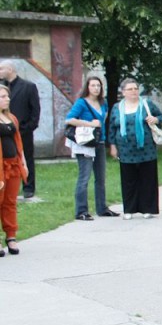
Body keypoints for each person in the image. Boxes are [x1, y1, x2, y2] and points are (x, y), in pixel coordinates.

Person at [107, 79, 162, 218]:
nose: (134, 91)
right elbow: (112, 128)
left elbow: (161, 116)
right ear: (123, 92)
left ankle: (148, 209)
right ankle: (129, 210)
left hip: (147, 149)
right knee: (128, 181)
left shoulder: (146, 104)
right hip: (126, 150)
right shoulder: (117, 108)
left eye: (136, 88)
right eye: (130, 89)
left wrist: (155, 120)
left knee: (148, 179)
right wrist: (112, 146)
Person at [65, 76, 117, 221]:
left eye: (98, 86)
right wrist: (89, 124)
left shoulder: (103, 103)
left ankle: (102, 208)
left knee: (101, 177)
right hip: (85, 143)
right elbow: (69, 119)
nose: (96, 88)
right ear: (87, 87)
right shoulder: (81, 103)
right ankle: (81, 211)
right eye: (93, 85)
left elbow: (103, 120)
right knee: (85, 176)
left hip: (99, 142)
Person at [0, 59, 39, 199]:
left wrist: (26, 128)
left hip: (23, 130)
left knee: (27, 157)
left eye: (1, 69)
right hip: (4, 131)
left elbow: (35, 111)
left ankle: (28, 186)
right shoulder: (2, 87)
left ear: (10, 69)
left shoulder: (28, 87)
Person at [0, 84, 29, 256]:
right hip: (0, 167)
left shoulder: (11, 117)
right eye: (3, 96)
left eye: (7, 96)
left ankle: (11, 236)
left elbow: (18, 142)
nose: (7, 99)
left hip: (14, 165)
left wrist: (23, 162)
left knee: (10, 202)